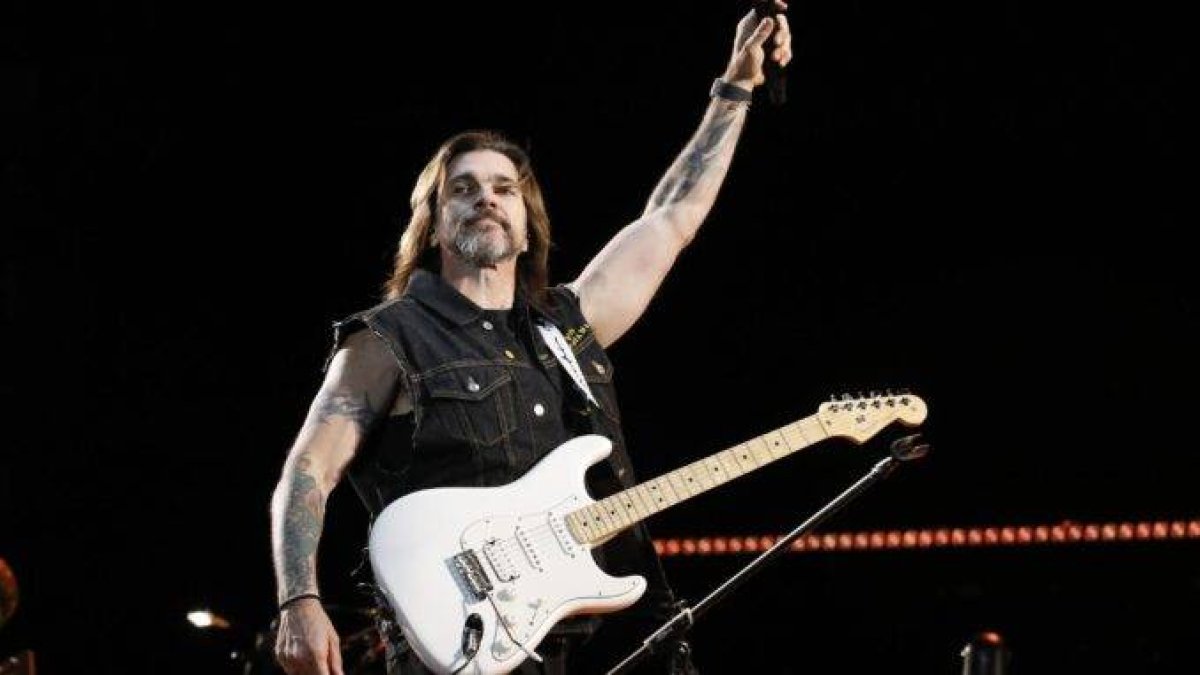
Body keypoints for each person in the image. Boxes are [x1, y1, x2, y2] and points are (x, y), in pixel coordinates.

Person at [270, 5, 792, 674]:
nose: (486, 198)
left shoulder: (567, 325)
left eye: (503, 188)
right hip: (455, 644)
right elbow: (307, 471)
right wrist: (299, 598)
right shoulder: (389, 338)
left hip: (588, 639)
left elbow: (673, 215)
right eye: (463, 189)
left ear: (526, 220)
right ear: (433, 224)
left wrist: (736, 84)